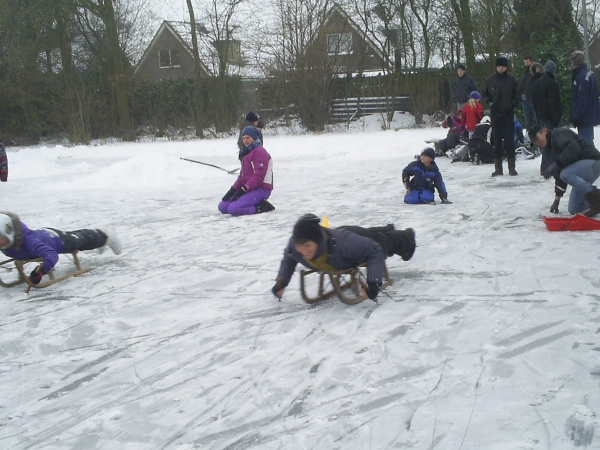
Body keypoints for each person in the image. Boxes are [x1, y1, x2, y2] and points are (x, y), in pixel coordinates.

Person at [271, 214, 416, 301]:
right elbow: (288, 259)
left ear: (318, 241)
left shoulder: (343, 243)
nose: (303, 251)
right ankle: (386, 228)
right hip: (345, 236)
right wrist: (281, 282)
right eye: (299, 246)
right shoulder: (295, 246)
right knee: (373, 234)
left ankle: (406, 236)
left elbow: (374, 251)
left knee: (383, 242)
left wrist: (373, 282)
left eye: (308, 246)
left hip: (351, 240)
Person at [0, 212, 121, 285]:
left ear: (10, 232)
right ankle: (101, 238)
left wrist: (41, 270)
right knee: (76, 235)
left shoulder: (29, 242)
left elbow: (51, 255)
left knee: (80, 240)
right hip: (44, 234)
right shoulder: (6, 242)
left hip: (57, 240)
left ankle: (107, 235)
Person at [529, 126, 600, 216]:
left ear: (544, 131)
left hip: (593, 162)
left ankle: (597, 199)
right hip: (581, 172)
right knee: (574, 208)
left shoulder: (559, 134)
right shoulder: (548, 150)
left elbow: (573, 148)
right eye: (535, 141)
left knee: (565, 173)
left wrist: (557, 163)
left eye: (537, 138)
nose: (537, 142)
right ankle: (596, 203)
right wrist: (557, 200)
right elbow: (559, 176)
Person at [219, 126, 274, 216]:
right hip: (248, 188)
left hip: (262, 188)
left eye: (248, 138)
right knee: (223, 207)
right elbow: (242, 176)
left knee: (233, 209)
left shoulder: (260, 152)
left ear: (254, 138)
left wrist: (243, 190)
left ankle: (262, 207)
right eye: (243, 138)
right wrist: (232, 190)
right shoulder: (246, 152)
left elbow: (259, 177)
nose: (245, 140)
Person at [483, 56, 521, 176]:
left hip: (508, 114)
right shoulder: (490, 80)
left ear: (506, 67)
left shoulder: (512, 80)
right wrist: (490, 102)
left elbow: (517, 95)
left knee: (509, 140)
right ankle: (498, 168)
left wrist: (512, 104)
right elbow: (485, 94)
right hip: (495, 114)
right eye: (499, 67)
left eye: (503, 67)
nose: (500, 69)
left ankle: (511, 167)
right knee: (496, 141)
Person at [569, 50, 600, 144]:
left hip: (584, 118)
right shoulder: (590, 74)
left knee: (586, 144)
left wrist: (577, 116)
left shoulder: (581, 77)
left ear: (574, 62)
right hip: (590, 115)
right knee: (587, 141)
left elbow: (582, 99)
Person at [532, 60, 562, 129]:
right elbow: (554, 102)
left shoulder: (536, 83)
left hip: (541, 115)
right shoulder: (552, 83)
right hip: (550, 117)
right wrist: (557, 116)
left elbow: (534, 101)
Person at [518, 56, 537, 129]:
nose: (526, 64)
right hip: (524, 97)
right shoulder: (524, 72)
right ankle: (529, 131)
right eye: (525, 62)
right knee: (527, 118)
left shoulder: (534, 71)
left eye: (527, 62)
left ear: (532, 61)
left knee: (535, 116)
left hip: (532, 97)